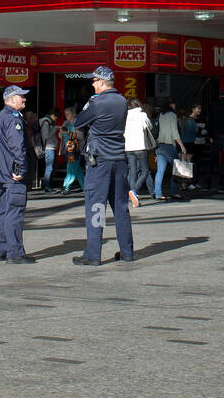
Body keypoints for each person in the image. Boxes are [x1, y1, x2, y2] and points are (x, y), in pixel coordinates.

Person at [72, 66, 135, 265]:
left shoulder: (96, 102)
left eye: (94, 81)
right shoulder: (123, 101)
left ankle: (93, 254)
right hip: (119, 160)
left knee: (96, 207)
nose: (92, 84)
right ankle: (127, 251)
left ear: (101, 82)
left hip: (99, 163)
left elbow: (78, 123)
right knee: (121, 208)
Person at [0, 85, 34, 263]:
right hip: (13, 174)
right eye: (21, 96)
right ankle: (15, 253)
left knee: (4, 212)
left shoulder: (0, 116)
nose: (24, 99)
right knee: (14, 213)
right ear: (11, 99)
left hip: (2, 173)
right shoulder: (13, 117)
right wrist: (21, 168)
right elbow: (17, 145)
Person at [153, 100, 188, 201]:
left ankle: (158, 193)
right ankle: (174, 192)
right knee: (176, 170)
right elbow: (174, 132)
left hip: (160, 146)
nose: (175, 105)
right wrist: (182, 146)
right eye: (173, 103)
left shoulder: (160, 115)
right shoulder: (172, 115)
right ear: (169, 105)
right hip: (169, 146)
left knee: (160, 171)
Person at [124, 97, 155, 205]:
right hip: (140, 146)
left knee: (132, 171)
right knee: (145, 170)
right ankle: (134, 190)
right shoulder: (142, 115)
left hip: (128, 147)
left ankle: (134, 198)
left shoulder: (125, 116)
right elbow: (149, 126)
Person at [61, 107, 84, 193]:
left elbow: (81, 136)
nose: (66, 116)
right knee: (76, 169)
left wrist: (68, 133)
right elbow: (60, 136)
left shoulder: (77, 123)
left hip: (75, 149)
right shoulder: (65, 123)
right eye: (65, 114)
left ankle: (66, 186)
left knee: (70, 168)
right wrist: (61, 132)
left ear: (73, 114)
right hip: (68, 149)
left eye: (68, 114)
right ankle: (85, 186)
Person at [39, 110, 58, 193]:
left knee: (50, 168)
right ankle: (47, 187)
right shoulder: (46, 123)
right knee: (49, 168)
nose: (56, 119)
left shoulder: (48, 122)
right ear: (53, 115)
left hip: (51, 147)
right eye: (56, 117)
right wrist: (55, 129)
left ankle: (48, 186)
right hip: (49, 148)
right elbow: (46, 136)